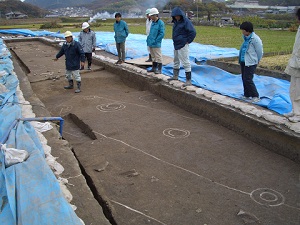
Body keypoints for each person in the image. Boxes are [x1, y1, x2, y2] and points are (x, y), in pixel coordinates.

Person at [168, 6, 196, 87]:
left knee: (185, 61)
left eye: (177, 15)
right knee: (176, 60)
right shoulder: (176, 22)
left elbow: (192, 32)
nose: (176, 17)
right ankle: (175, 76)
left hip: (183, 44)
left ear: (180, 15)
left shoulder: (186, 22)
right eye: (175, 16)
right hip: (176, 44)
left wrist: (187, 41)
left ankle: (188, 80)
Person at [239, 21, 263, 103]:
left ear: (247, 30)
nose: (242, 32)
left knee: (248, 79)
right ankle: (247, 94)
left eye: (243, 30)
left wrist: (257, 60)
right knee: (244, 78)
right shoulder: (245, 38)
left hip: (251, 62)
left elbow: (259, 51)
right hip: (244, 61)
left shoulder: (255, 39)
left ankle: (255, 96)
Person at [284, 8, 300, 123]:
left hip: (299, 64)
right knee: (293, 89)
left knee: (298, 91)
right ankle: (295, 111)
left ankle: (298, 114)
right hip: (296, 63)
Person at [147, 7, 165, 74]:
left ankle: (159, 69)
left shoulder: (160, 23)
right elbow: (151, 32)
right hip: (151, 42)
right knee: (153, 56)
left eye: (151, 16)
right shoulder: (153, 23)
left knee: (158, 56)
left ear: (155, 15)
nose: (150, 17)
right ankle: (154, 68)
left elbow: (161, 33)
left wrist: (156, 40)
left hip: (156, 43)